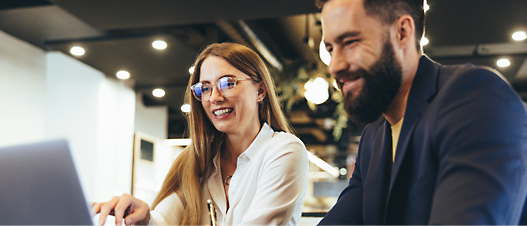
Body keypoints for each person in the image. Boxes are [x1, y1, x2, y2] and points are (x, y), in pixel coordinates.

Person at [316, 0, 527, 225]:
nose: (334, 66)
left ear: (402, 32)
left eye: (350, 42)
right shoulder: (373, 136)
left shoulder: (476, 98)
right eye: (330, 48)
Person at [92, 42, 309, 226]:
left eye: (227, 83)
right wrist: (144, 217)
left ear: (260, 91)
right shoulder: (198, 162)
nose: (214, 97)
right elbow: (164, 218)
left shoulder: (284, 150)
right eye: (205, 88)